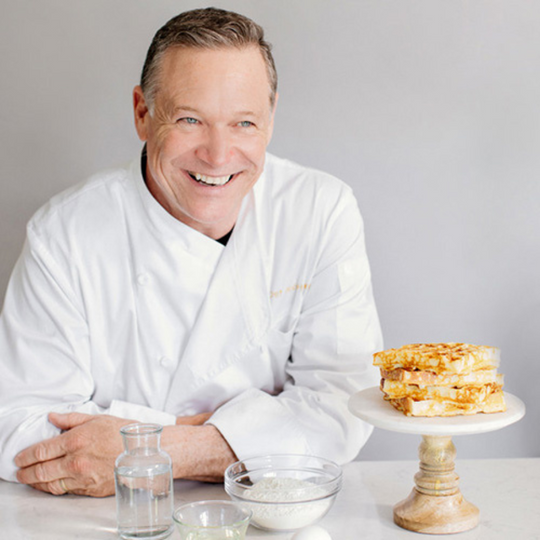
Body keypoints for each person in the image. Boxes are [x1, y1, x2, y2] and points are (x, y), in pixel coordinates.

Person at [0, 7, 382, 497]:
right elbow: (17, 424)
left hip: (273, 512)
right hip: (114, 519)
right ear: (142, 113)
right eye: (189, 119)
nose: (218, 155)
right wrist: (251, 435)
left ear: (270, 119)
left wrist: (161, 448)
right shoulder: (66, 233)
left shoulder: (319, 210)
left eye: (243, 123)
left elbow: (347, 404)